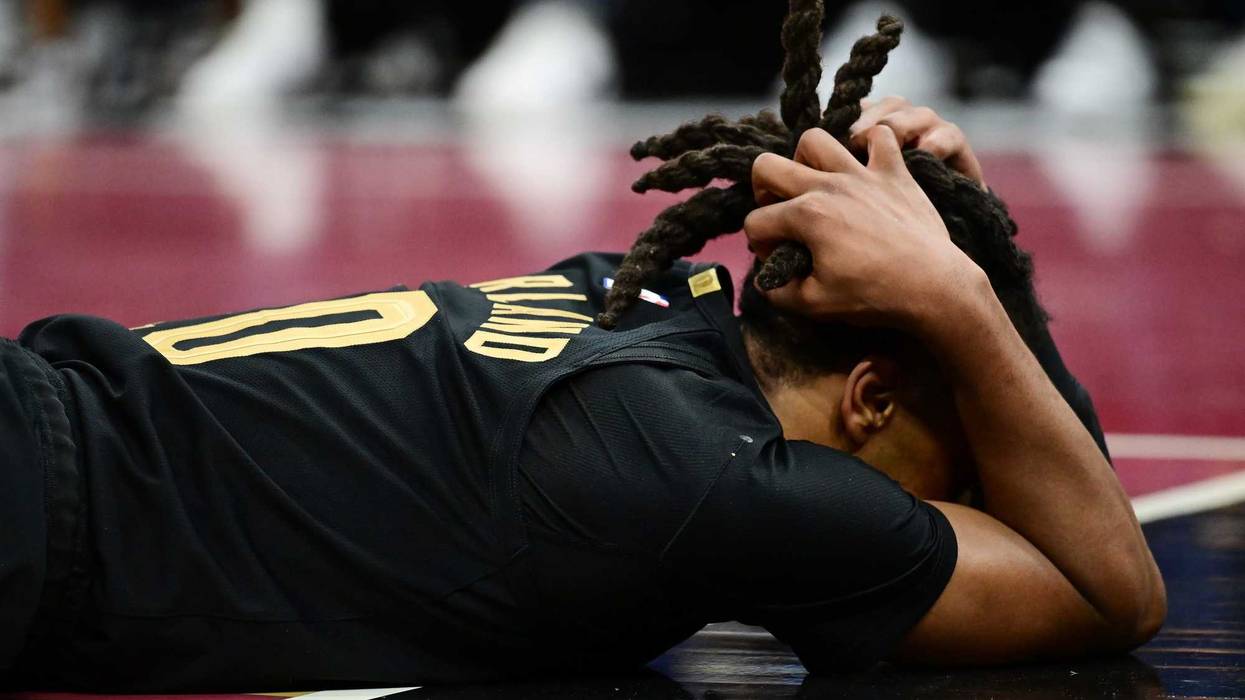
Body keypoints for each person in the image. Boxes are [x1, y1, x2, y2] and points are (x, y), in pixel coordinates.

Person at [1, 4, 1163, 693]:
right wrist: (964, 303)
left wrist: (975, 259)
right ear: (869, 398)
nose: (980, 504)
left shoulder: (649, 305)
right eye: (964, 470)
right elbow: (1113, 586)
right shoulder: (711, 479)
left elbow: (1071, 506)